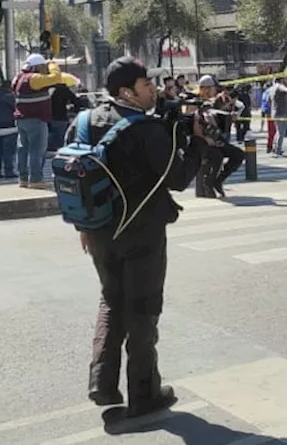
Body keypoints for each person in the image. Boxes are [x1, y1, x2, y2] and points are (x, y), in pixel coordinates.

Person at [72, 56, 206, 420]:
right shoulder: (145, 130)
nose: (154, 90)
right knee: (143, 309)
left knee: (111, 301)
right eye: (147, 85)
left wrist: (83, 227)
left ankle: (102, 381)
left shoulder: (85, 121)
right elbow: (178, 178)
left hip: (98, 231)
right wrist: (196, 141)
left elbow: (76, 179)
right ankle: (144, 394)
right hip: (141, 231)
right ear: (127, 91)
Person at [13, 54, 74, 189]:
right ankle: (36, 179)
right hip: (36, 119)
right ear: (37, 67)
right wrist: (52, 64)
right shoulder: (34, 79)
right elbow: (55, 78)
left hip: (22, 119)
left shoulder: (18, 78)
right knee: (37, 150)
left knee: (23, 149)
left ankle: (23, 178)